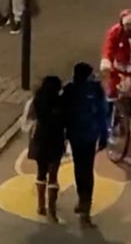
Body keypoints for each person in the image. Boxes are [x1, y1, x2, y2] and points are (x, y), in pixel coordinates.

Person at [62, 61, 113, 227]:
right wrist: (104, 136)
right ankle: (86, 204)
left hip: (75, 135)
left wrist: (64, 136)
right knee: (87, 169)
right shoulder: (95, 90)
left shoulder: (69, 90)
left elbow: (64, 114)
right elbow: (103, 113)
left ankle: (81, 199)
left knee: (79, 167)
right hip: (90, 135)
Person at [27, 75, 67, 222]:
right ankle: (52, 210)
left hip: (40, 139)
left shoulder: (38, 101)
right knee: (53, 175)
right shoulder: (61, 103)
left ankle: (40, 205)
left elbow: (30, 118)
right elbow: (65, 121)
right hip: (55, 140)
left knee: (41, 172)